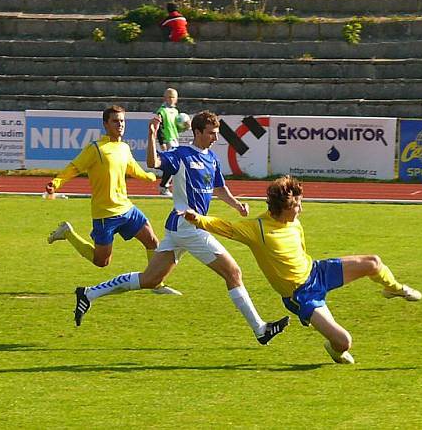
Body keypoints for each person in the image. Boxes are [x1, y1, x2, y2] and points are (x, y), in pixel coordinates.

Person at [72, 110, 290, 346]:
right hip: (187, 226)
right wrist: (152, 135)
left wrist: (237, 205)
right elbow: (153, 163)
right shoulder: (182, 155)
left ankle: (89, 293)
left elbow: (218, 188)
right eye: (211, 134)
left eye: (216, 134)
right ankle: (260, 329)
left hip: (184, 228)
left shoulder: (212, 159)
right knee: (233, 272)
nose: (215, 138)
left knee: (150, 279)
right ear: (197, 132)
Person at [181, 175, 422, 364]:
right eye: (297, 206)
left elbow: (301, 248)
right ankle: (333, 348)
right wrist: (198, 219)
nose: (301, 210)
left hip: (316, 272)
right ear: (284, 208)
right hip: (301, 295)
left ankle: (395, 289)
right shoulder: (258, 229)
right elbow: (227, 227)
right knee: (344, 342)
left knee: (373, 262)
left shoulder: (294, 221)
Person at [45, 105, 180, 295]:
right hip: (105, 214)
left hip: (126, 208)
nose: (120, 124)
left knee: (152, 241)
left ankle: (156, 283)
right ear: (105, 124)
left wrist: (149, 176)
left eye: (122, 121)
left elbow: (132, 168)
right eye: (115, 121)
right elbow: (75, 167)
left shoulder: (124, 147)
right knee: (102, 262)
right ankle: (67, 233)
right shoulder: (96, 148)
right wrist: (56, 182)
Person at [155, 88, 184, 197]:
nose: (171, 99)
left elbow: (176, 127)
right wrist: (162, 141)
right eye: (169, 97)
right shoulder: (161, 111)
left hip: (175, 139)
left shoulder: (176, 111)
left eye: (173, 97)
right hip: (168, 141)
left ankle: (166, 186)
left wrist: (185, 127)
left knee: (174, 164)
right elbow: (159, 127)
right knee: (172, 164)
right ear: (165, 98)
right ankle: (164, 187)